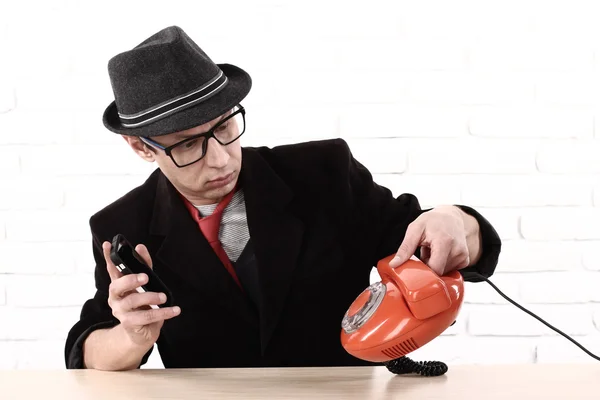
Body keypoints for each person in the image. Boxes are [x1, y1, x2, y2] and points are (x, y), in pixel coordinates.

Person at [64, 26, 501, 371]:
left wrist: (454, 221)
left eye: (224, 127)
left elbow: (433, 237)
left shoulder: (324, 172)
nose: (218, 159)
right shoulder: (121, 225)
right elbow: (85, 350)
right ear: (142, 148)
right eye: (186, 144)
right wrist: (130, 337)